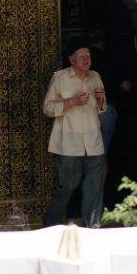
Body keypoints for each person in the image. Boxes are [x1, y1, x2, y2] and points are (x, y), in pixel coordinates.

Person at [42, 37, 107, 227]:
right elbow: (47, 108)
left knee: (94, 187)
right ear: (71, 59)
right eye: (81, 56)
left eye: (88, 55)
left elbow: (101, 109)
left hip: (93, 141)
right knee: (68, 184)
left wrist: (101, 99)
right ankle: (51, 222)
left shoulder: (96, 77)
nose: (86, 59)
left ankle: (92, 226)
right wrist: (72, 102)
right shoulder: (60, 78)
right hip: (68, 143)